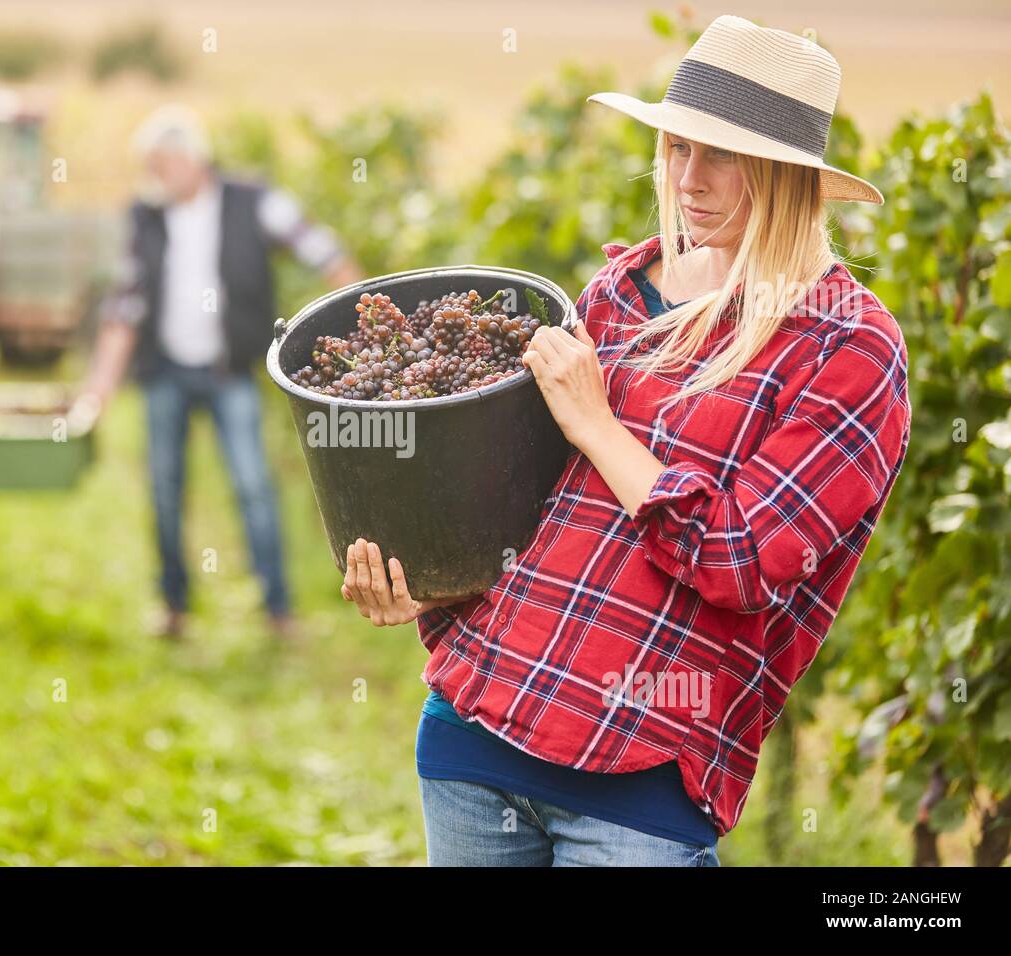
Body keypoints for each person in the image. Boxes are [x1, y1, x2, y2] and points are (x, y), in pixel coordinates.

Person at [341, 15, 910, 866]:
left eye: (722, 155)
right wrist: (428, 584)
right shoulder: (617, 287)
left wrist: (598, 424)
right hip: (474, 735)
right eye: (678, 148)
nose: (690, 178)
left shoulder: (848, 346)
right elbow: (528, 505)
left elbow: (742, 559)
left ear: (791, 175)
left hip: (637, 787)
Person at [81, 105, 363, 641]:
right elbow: (124, 303)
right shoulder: (147, 218)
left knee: (253, 485)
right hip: (165, 372)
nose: (154, 178)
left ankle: (279, 611)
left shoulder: (252, 201)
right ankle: (174, 607)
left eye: (160, 165)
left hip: (228, 371)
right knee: (165, 488)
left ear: (191, 158)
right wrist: (99, 389)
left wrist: (362, 320)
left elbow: (323, 250)